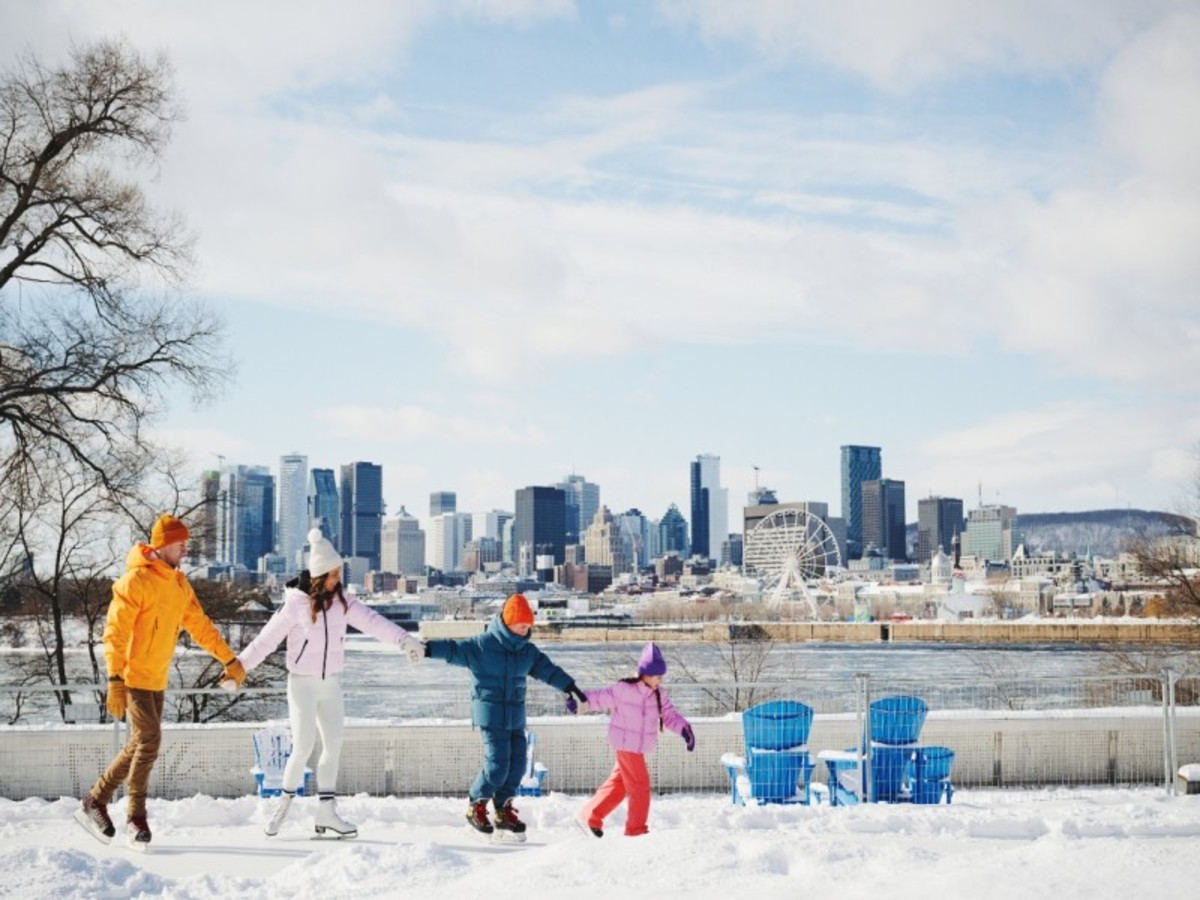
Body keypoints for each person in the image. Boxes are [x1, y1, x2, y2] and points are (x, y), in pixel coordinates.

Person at [235, 528, 424, 838]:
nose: (339, 578)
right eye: (335, 573)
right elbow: (267, 639)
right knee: (303, 746)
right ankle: (282, 805)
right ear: (321, 574)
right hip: (302, 685)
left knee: (334, 744)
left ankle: (326, 813)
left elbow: (373, 622)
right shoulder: (295, 604)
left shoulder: (343, 602)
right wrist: (239, 667)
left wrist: (405, 641)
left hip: (330, 684)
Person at [75, 514, 247, 849]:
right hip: (133, 678)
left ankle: (95, 800)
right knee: (150, 738)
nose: (186, 548)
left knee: (139, 742)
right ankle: (135, 817)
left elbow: (200, 626)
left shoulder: (179, 585)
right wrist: (115, 679)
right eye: (180, 542)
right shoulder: (135, 581)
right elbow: (115, 633)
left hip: (157, 680)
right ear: (163, 543)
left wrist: (230, 660)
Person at [423, 593, 587, 841]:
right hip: (490, 716)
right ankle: (475, 806)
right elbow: (452, 649)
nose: (526, 631)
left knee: (518, 766)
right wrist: (425, 649)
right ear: (509, 623)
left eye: (528, 626)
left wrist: (570, 688)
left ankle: (502, 810)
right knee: (498, 766)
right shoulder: (481, 646)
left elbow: (548, 671)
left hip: (516, 717)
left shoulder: (527, 652)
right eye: (522, 626)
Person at [570, 642, 695, 838]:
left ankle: (589, 816)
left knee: (619, 786)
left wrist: (685, 730)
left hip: (637, 748)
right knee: (640, 786)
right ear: (644, 674)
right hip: (625, 744)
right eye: (656, 676)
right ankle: (636, 831)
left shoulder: (659, 695)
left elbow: (669, 716)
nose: (659, 681)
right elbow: (599, 698)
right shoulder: (624, 689)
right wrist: (579, 702)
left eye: (661, 677)